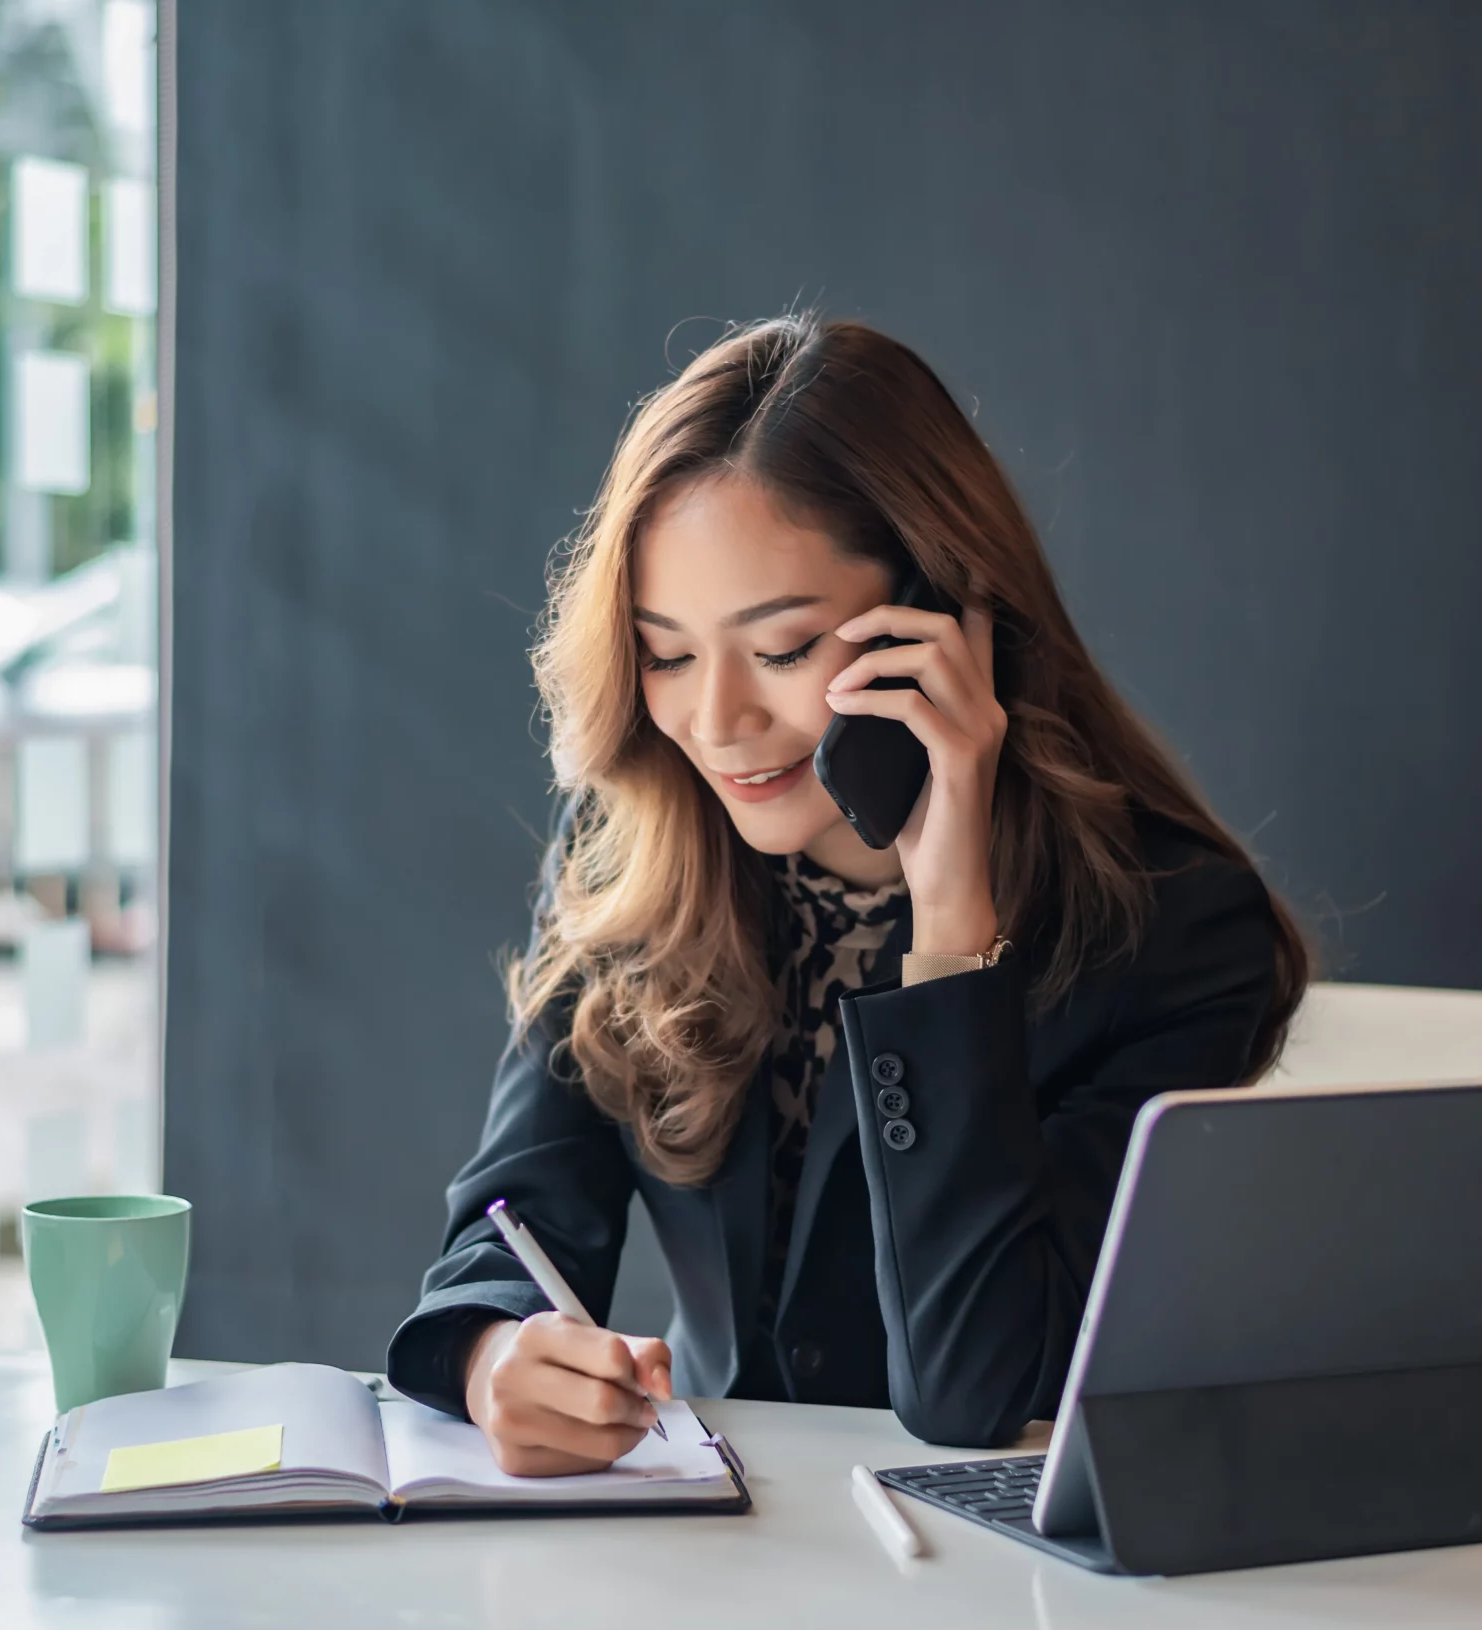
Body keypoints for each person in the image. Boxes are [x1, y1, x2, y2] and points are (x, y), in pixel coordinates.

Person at [385, 313, 1308, 1473]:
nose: (715, 722)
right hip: (715, 1550)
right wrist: (489, 1349)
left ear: (944, 618)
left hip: (998, 1592)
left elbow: (977, 1388)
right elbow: (516, 1210)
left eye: (781, 649)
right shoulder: (634, 845)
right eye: (666, 652)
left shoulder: (1171, 925)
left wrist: (952, 930)